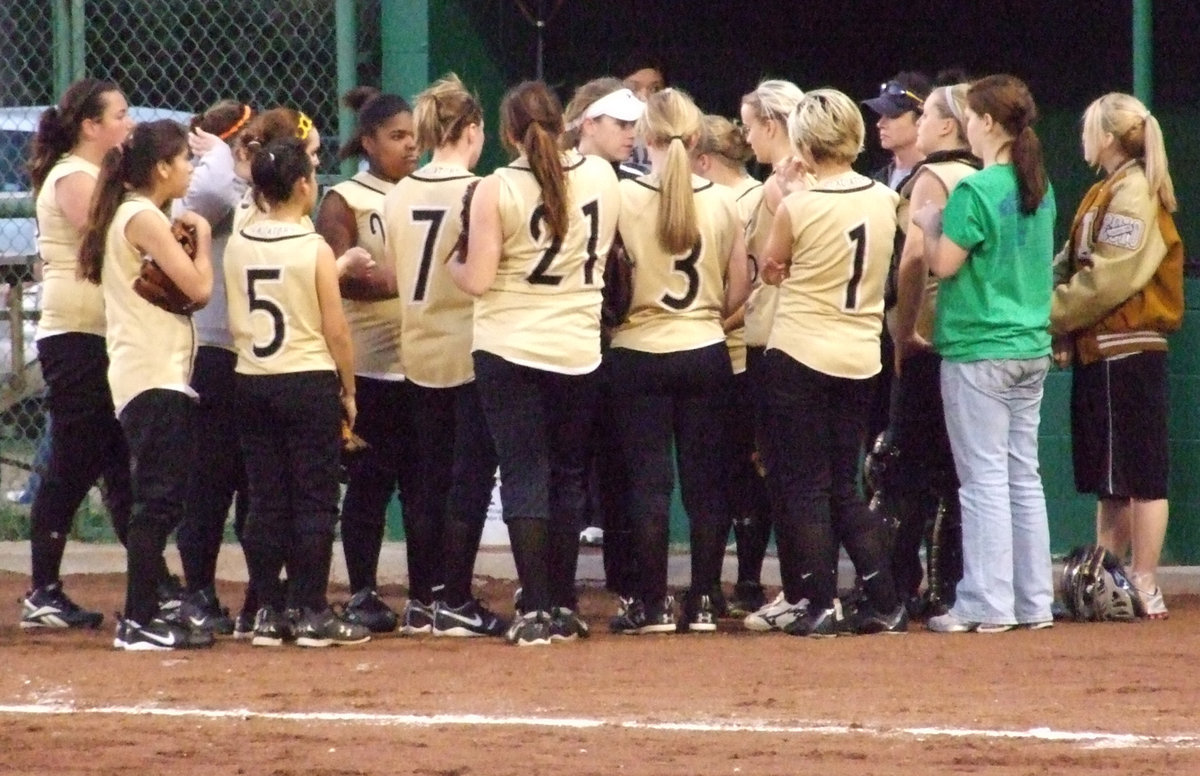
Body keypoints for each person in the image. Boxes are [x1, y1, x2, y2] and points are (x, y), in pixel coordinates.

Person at [449, 80, 620, 646]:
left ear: (507, 134)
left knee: (525, 473)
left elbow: (475, 280)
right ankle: (562, 602)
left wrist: (454, 262)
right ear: (564, 123)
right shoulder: (599, 175)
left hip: (509, 347)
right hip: (576, 345)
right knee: (568, 476)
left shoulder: (495, 187)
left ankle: (537, 608)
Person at [759, 88, 904, 637]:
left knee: (805, 487)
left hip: (800, 352)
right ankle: (885, 601)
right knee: (842, 485)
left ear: (805, 142)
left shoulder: (799, 204)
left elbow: (772, 268)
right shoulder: (883, 198)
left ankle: (819, 602)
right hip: (860, 355)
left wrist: (789, 194)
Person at [914, 74, 1056, 634]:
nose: (967, 125)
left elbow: (944, 264)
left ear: (989, 123)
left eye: (972, 117)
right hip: (1029, 347)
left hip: (980, 349)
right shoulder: (1037, 187)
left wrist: (929, 226)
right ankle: (1032, 602)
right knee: (1023, 476)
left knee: (983, 480)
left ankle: (986, 602)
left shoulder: (975, 190)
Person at [607, 89, 749, 634]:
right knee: (706, 486)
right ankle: (707, 599)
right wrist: (708, 319)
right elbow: (740, 289)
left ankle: (650, 603)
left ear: (646, 140)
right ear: (696, 140)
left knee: (649, 484)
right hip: (704, 350)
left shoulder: (623, 196)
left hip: (638, 352)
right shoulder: (723, 201)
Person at [225, 136, 371, 648]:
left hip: (250, 379)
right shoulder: (310, 246)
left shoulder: (240, 238)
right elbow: (336, 330)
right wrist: (348, 390)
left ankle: (268, 609)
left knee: (265, 498)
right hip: (305, 379)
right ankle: (310, 608)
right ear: (303, 186)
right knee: (314, 498)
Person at [77, 119, 215, 650]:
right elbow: (200, 288)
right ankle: (138, 619)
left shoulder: (134, 212)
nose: (189, 169)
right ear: (161, 168)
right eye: (184, 160)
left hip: (150, 370)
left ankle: (149, 609)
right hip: (151, 373)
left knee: (159, 499)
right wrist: (201, 236)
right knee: (156, 501)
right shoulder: (142, 215)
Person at [1049, 92, 1182, 620]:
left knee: (1142, 474)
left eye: (1088, 129)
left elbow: (1110, 277)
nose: (1083, 137)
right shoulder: (1104, 190)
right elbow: (1068, 263)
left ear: (1106, 136)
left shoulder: (1134, 192)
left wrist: (1049, 313)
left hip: (1128, 352)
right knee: (1111, 481)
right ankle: (1111, 578)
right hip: (1099, 350)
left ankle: (1144, 580)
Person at [386, 73, 506, 638]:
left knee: (426, 479)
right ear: (471, 130)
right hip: (466, 349)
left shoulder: (397, 192)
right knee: (469, 479)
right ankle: (455, 595)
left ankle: (422, 596)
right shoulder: (478, 190)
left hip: (417, 350)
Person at [20, 78, 135, 630]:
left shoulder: (97, 175)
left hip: (104, 333)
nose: (128, 123)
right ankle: (42, 588)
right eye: (119, 114)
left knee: (117, 456)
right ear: (90, 126)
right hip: (76, 335)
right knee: (73, 458)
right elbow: (106, 236)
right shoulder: (73, 174)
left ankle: (150, 578)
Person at [314, 87, 419, 634]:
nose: (410, 147)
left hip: (422, 361)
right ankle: (361, 591)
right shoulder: (346, 198)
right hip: (372, 366)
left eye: (414, 136)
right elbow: (342, 276)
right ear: (370, 141)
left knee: (426, 482)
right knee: (371, 483)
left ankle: (429, 592)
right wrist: (415, 283)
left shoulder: (426, 191)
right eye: (398, 136)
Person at [887, 83, 982, 616]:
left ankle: (897, 588)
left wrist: (903, 335)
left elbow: (912, 261)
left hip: (926, 338)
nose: (917, 123)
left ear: (948, 125)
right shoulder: (987, 177)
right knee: (957, 471)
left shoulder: (934, 175)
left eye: (925, 115)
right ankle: (951, 587)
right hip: (968, 337)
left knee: (903, 467)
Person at [560, 77, 646, 605]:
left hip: (619, 339)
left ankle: (628, 582)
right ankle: (551, 586)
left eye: (635, 124)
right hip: (563, 337)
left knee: (619, 462)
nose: (631, 134)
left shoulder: (636, 180)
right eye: (620, 124)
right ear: (588, 122)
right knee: (565, 466)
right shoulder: (552, 174)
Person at [173, 100, 256, 637]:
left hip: (253, 356)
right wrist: (221, 152)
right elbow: (201, 201)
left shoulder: (248, 191)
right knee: (210, 477)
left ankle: (263, 592)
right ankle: (198, 590)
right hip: (213, 352)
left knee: (254, 480)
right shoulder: (212, 187)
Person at [691, 113, 769, 618]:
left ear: (702, 160)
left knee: (732, 473)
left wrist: (714, 322)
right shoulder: (758, 193)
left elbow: (761, 282)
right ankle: (735, 581)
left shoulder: (753, 198)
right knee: (739, 475)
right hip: (730, 352)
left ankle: (741, 581)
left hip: (735, 351)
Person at [736, 78, 807, 630]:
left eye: (749, 124)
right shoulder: (792, 176)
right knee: (789, 472)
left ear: (771, 125)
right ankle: (806, 587)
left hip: (782, 339)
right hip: (789, 338)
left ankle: (803, 590)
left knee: (787, 472)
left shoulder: (783, 184)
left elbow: (775, 267)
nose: (744, 135)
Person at [860, 71, 933, 461]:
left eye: (893, 115)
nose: (881, 123)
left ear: (922, 119)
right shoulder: (875, 182)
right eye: (880, 115)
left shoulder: (939, 177)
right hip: (874, 329)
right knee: (875, 444)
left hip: (920, 327)